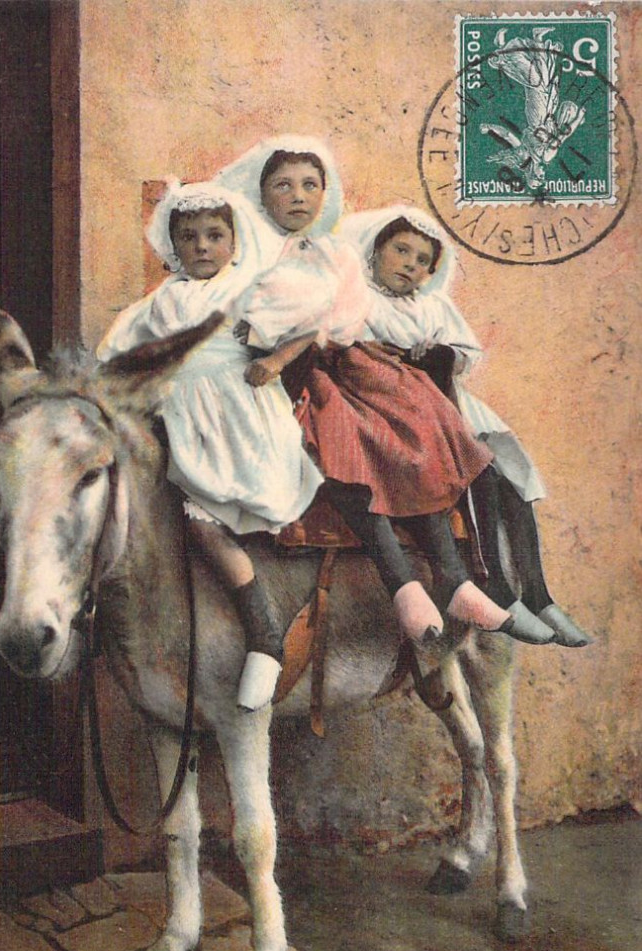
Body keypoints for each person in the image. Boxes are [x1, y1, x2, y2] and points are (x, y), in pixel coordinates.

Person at [219, 138, 555, 646]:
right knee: (342, 426)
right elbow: (247, 321)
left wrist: (347, 338)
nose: (297, 196)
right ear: (262, 194)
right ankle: (407, 587)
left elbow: (348, 313)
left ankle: (456, 577)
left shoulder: (334, 252)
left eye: (310, 185)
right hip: (294, 371)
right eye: (282, 185)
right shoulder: (244, 253)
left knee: (415, 417)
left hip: (346, 359)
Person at [97, 180, 323, 709]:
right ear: (174, 246)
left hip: (244, 417)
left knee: (250, 507)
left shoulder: (246, 287)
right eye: (190, 237)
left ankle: (269, 638)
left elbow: (310, 325)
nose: (202, 247)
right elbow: (117, 352)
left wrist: (274, 361)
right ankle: (257, 630)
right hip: (186, 418)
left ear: (233, 242)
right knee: (187, 517)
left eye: (214, 236)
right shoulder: (163, 300)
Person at [341, 203, 590, 646]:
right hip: (391, 402)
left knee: (512, 473)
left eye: (422, 262)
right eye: (400, 251)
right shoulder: (358, 299)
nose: (410, 266)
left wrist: (444, 355)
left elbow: (467, 353)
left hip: (442, 396)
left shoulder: (432, 305)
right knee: (481, 472)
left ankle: (539, 592)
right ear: (376, 249)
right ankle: (495, 584)